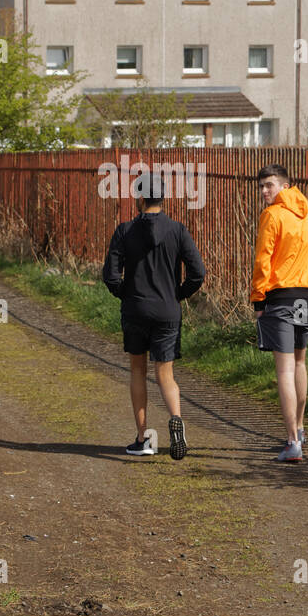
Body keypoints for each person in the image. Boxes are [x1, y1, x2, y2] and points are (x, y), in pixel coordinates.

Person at [102, 186, 206, 460]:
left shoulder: (124, 231)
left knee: (138, 371)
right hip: (167, 311)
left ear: (140, 198)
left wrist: (127, 294)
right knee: (165, 374)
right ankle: (176, 418)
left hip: (136, 309)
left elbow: (111, 276)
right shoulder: (178, 230)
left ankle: (143, 438)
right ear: (163, 199)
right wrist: (177, 295)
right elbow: (198, 273)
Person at [250, 164, 308, 462]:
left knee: (284, 369)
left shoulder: (272, 216)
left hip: (280, 296)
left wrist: (259, 299)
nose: (264, 192)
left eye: (269, 186)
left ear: (285, 186)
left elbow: (263, 260)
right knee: (299, 363)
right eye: (261, 186)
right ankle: (299, 428)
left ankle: (292, 442)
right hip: (306, 297)